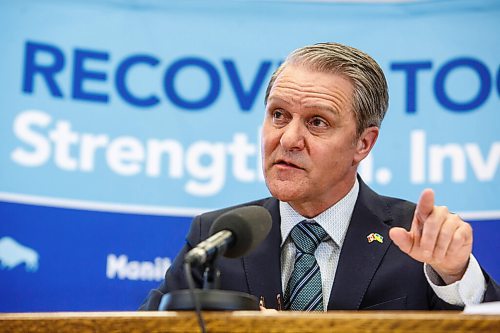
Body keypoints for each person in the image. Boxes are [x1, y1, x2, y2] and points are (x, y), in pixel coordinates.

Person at [140, 42, 500, 311]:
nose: (288, 139)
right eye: (278, 115)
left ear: (363, 143)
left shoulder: (414, 240)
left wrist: (455, 275)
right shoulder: (218, 237)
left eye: (317, 122)